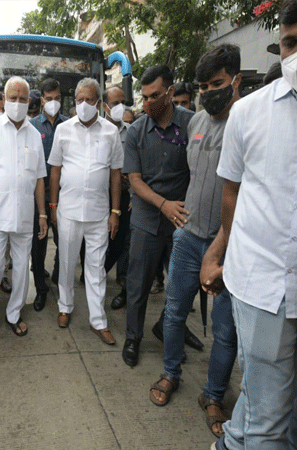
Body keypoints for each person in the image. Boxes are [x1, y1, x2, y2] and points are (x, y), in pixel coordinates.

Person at [203, 2, 297, 449]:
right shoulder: (249, 113)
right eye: (290, 42)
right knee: (267, 421)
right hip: (262, 288)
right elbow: (232, 194)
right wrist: (220, 252)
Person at [148, 45, 242, 442]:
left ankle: (214, 395)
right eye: (203, 86)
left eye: (217, 84)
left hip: (230, 246)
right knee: (173, 313)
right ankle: (171, 373)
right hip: (188, 237)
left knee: (225, 330)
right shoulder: (196, 121)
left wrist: (224, 246)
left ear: (236, 80)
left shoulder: (248, 121)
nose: (209, 92)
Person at [121, 64, 201, 368]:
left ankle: (169, 327)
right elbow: (135, 180)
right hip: (147, 218)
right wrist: (163, 204)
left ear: (170, 92)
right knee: (138, 284)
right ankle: (133, 336)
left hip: (183, 218)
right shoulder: (136, 131)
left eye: (154, 96)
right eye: (144, 97)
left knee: (184, 284)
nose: (147, 103)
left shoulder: (193, 124)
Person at [48, 78, 123, 345]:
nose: (83, 104)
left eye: (88, 100)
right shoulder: (63, 130)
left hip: (99, 213)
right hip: (68, 210)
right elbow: (55, 170)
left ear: (99, 103)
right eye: (79, 100)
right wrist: (53, 205)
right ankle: (65, 306)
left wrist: (115, 211)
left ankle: (98, 321)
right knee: (67, 263)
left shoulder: (111, 132)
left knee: (96, 269)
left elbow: (116, 174)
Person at [0, 76, 48, 337]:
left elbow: (39, 178)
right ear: (4, 100)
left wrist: (42, 214)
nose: (17, 103)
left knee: (22, 269)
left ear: (30, 102)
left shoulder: (34, 135)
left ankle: (14, 313)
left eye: (23, 99)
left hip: (24, 216)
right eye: (13, 98)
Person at [29, 78, 69, 312]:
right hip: (38, 196)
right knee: (38, 244)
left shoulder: (69, 125)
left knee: (65, 242)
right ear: (42, 100)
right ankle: (41, 289)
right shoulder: (32, 126)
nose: (54, 102)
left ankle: (58, 276)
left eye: (57, 98)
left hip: (65, 195)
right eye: (49, 98)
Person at [101, 86, 132, 311]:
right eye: (115, 103)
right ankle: (94, 273)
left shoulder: (132, 132)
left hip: (123, 196)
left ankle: (108, 273)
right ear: (105, 106)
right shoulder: (98, 130)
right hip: (99, 196)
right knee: (97, 240)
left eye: (123, 102)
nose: (120, 107)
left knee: (119, 240)